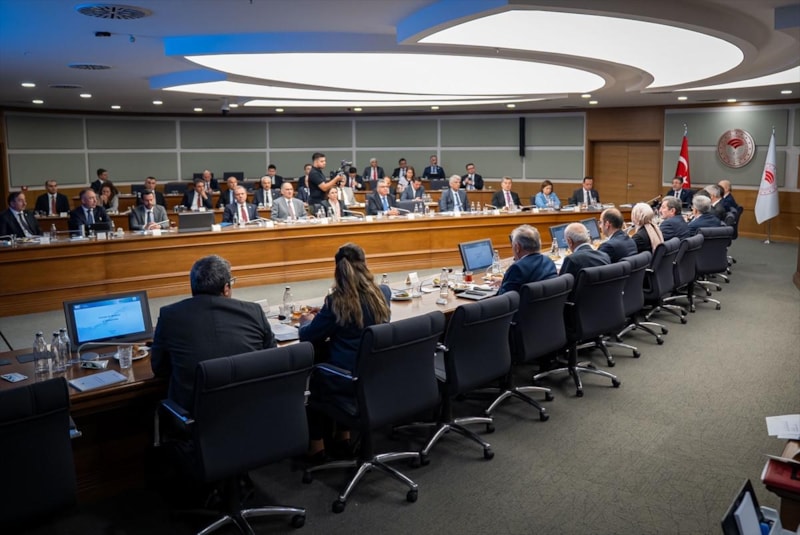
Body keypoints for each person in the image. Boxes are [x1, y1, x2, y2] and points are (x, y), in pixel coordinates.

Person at [298, 243, 391, 461]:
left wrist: (307, 321)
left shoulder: (337, 301)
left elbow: (308, 336)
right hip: (376, 376)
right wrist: (325, 313)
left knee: (317, 373)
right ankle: (342, 437)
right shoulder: (383, 293)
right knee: (345, 360)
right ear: (365, 265)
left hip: (347, 380)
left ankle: (317, 448)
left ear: (338, 269)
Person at [151, 255, 276, 411]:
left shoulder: (169, 316)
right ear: (226, 288)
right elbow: (272, 358)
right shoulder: (253, 311)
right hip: (251, 410)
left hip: (194, 416)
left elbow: (159, 368)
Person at [496, 225, 557, 295]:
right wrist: (506, 281)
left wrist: (504, 284)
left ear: (517, 247)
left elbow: (503, 298)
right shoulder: (548, 261)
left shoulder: (517, 268)